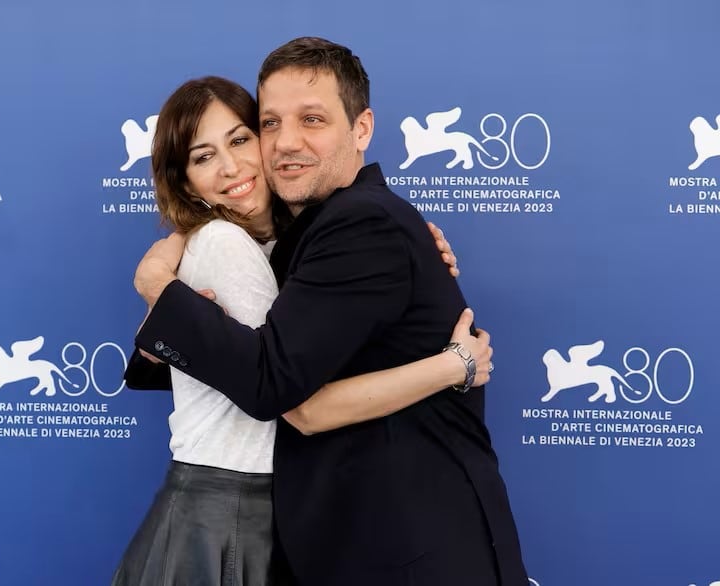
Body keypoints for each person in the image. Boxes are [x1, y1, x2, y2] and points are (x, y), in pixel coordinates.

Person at [132, 38, 528, 586]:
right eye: (270, 123)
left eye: (311, 120)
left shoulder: (358, 224)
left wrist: (158, 288)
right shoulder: (305, 236)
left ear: (362, 129)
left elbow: (284, 393)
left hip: (408, 551)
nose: (285, 143)